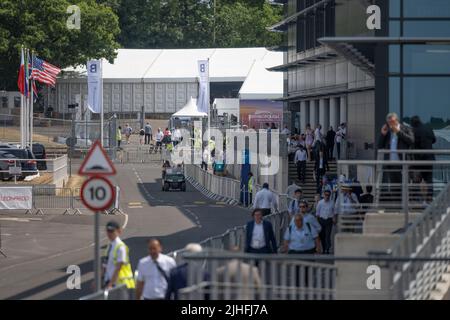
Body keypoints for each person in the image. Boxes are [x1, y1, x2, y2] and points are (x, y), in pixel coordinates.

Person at [378, 112, 415, 199]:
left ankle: (405, 207)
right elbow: (380, 146)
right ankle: (397, 207)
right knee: (394, 188)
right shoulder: (387, 132)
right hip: (391, 164)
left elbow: (411, 140)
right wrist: (382, 134)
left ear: (397, 121)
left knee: (404, 186)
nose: (391, 124)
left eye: (392, 122)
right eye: (389, 122)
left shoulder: (406, 129)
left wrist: (398, 132)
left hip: (403, 164)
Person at [102, 221, 135, 298]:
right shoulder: (110, 246)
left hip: (120, 284)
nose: (109, 233)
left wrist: (110, 284)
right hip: (110, 282)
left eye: (112, 231)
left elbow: (118, 267)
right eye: (108, 231)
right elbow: (105, 264)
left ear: (119, 231)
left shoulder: (121, 247)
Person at [411, 115, 436, 203]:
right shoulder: (428, 128)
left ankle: (416, 198)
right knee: (429, 179)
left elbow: (412, 143)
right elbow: (434, 140)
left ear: (413, 123)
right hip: (429, 158)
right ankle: (429, 197)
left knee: (416, 179)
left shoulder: (414, 130)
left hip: (419, 159)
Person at [315, 189, 336, 254]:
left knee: (327, 235)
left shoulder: (332, 202)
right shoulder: (320, 203)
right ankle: (324, 248)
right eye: (326, 195)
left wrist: (334, 218)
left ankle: (327, 248)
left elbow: (334, 212)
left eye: (328, 195)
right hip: (321, 220)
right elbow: (317, 213)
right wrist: (317, 222)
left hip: (329, 220)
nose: (327, 196)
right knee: (322, 236)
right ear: (324, 195)